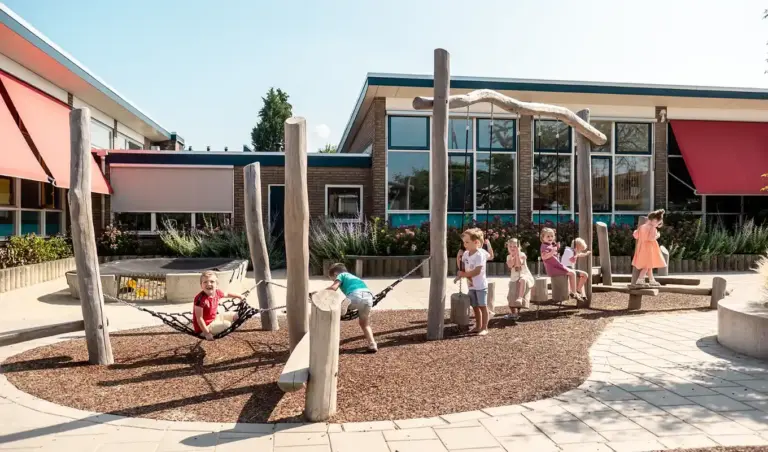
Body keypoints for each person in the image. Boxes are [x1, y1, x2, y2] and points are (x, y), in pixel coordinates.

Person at [325, 263, 378, 353]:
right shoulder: (355, 277)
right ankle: (372, 343)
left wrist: (321, 293)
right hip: (368, 298)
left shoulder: (341, 275)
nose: (334, 280)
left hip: (354, 296)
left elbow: (334, 288)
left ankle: (343, 308)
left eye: (333, 279)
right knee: (364, 324)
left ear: (335, 274)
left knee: (335, 313)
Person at [455, 228, 490, 335]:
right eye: (463, 242)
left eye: (467, 242)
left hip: (480, 285)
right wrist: (460, 273)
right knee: (475, 306)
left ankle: (484, 327)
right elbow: (464, 267)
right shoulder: (466, 254)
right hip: (471, 286)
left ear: (476, 242)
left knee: (482, 306)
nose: (465, 245)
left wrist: (464, 274)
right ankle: (478, 325)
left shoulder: (479, 254)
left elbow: (477, 271)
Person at [193, 270, 243, 341]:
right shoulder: (200, 299)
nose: (208, 284)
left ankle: (222, 326)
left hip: (214, 319)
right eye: (205, 282)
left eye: (212, 281)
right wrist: (207, 333)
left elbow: (227, 294)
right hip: (203, 328)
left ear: (217, 285)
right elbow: (199, 318)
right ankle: (220, 328)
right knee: (227, 325)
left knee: (236, 315)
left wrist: (239, 296)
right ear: (201, 285)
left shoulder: (217, 292)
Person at [539, 228, 583, 302]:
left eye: (552, 236)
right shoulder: (544, 246)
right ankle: (574, 292)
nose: (550, 238)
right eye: (548, 236)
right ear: (543, 238)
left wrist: (556, 248)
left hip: (557, 266)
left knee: (572, 273)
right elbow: (544, 257)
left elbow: (553, 254)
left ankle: (572, 292)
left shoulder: (550, 245)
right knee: (572, 273)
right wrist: (552, 252)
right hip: (553, 269)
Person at [631, 209, 666, 288]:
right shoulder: (653, 228)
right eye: (657, 223)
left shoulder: (642, 227)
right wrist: (657, 235)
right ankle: (640, 279)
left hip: (641, 248)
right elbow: (651, 238)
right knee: (647, 266)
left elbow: (635, 235)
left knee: (648, 265)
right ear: (654, 220)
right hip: (649, 249)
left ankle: (651, 280)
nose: (657, 225)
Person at [505, 238, 534, 321]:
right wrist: (512, 257)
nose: (512, 248)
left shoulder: (522, 254)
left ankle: (520, 298)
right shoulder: (508, 257)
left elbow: (518, 264)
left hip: (524, 275)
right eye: (510, 246)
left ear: (519, 247)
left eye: (515, 246)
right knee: (510, 298)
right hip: (514, 278)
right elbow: (511, 265)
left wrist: (517, 254)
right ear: (508, 247)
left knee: (522, 280)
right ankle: (514, 313)